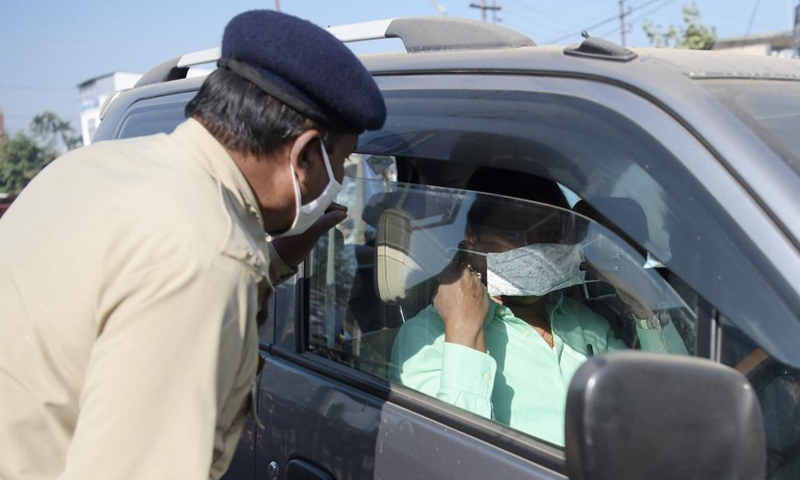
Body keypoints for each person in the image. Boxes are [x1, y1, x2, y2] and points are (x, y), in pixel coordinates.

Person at [0, 10, 385, 480]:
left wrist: (275, 260)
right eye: (341, 160)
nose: (341, 180)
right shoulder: (205, 257)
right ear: (304, 153)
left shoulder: (85, 168)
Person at [390, 168, 686, 447]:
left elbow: (671, 408)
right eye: (515, 234)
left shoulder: (585, 323)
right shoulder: (428, 337)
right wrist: (464, 331)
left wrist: (643, 305)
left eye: (546, 236)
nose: (534, 248)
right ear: (472, 237)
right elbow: (445, 456)